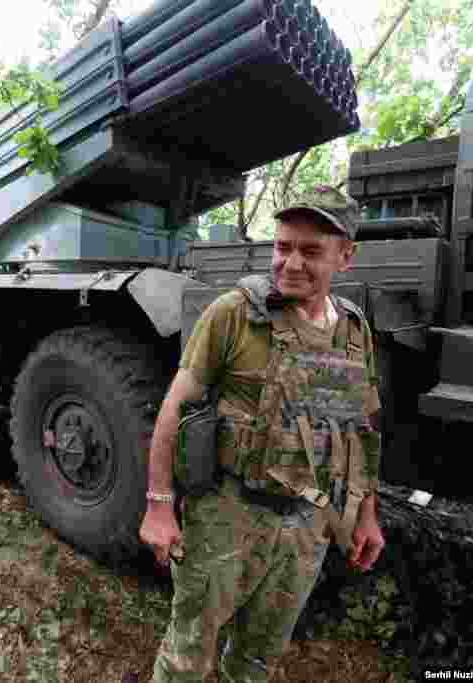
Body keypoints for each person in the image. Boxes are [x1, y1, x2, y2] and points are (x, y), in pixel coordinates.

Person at [139, 186, 386, 682]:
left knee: (256, 660)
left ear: (345, 257)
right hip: (228, 516)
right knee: (187, 656)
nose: (291, 262)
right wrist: (159, 506)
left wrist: (366, 514)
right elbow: (175, 405)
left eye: (311, 251)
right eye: (282, 247)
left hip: (308, 526)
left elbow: (360, 429)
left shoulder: (354, 330)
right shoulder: (235, 313)